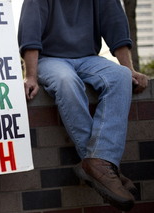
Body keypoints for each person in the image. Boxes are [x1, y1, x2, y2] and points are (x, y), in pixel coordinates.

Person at [18, 0, 148, 211]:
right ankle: (105, 167)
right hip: (49, 60)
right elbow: (30, 35)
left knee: (120, 76)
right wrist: (31, 76)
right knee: (67, 82)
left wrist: (130, 69)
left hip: (88, 58)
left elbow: (116, 28)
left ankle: (99, 163)